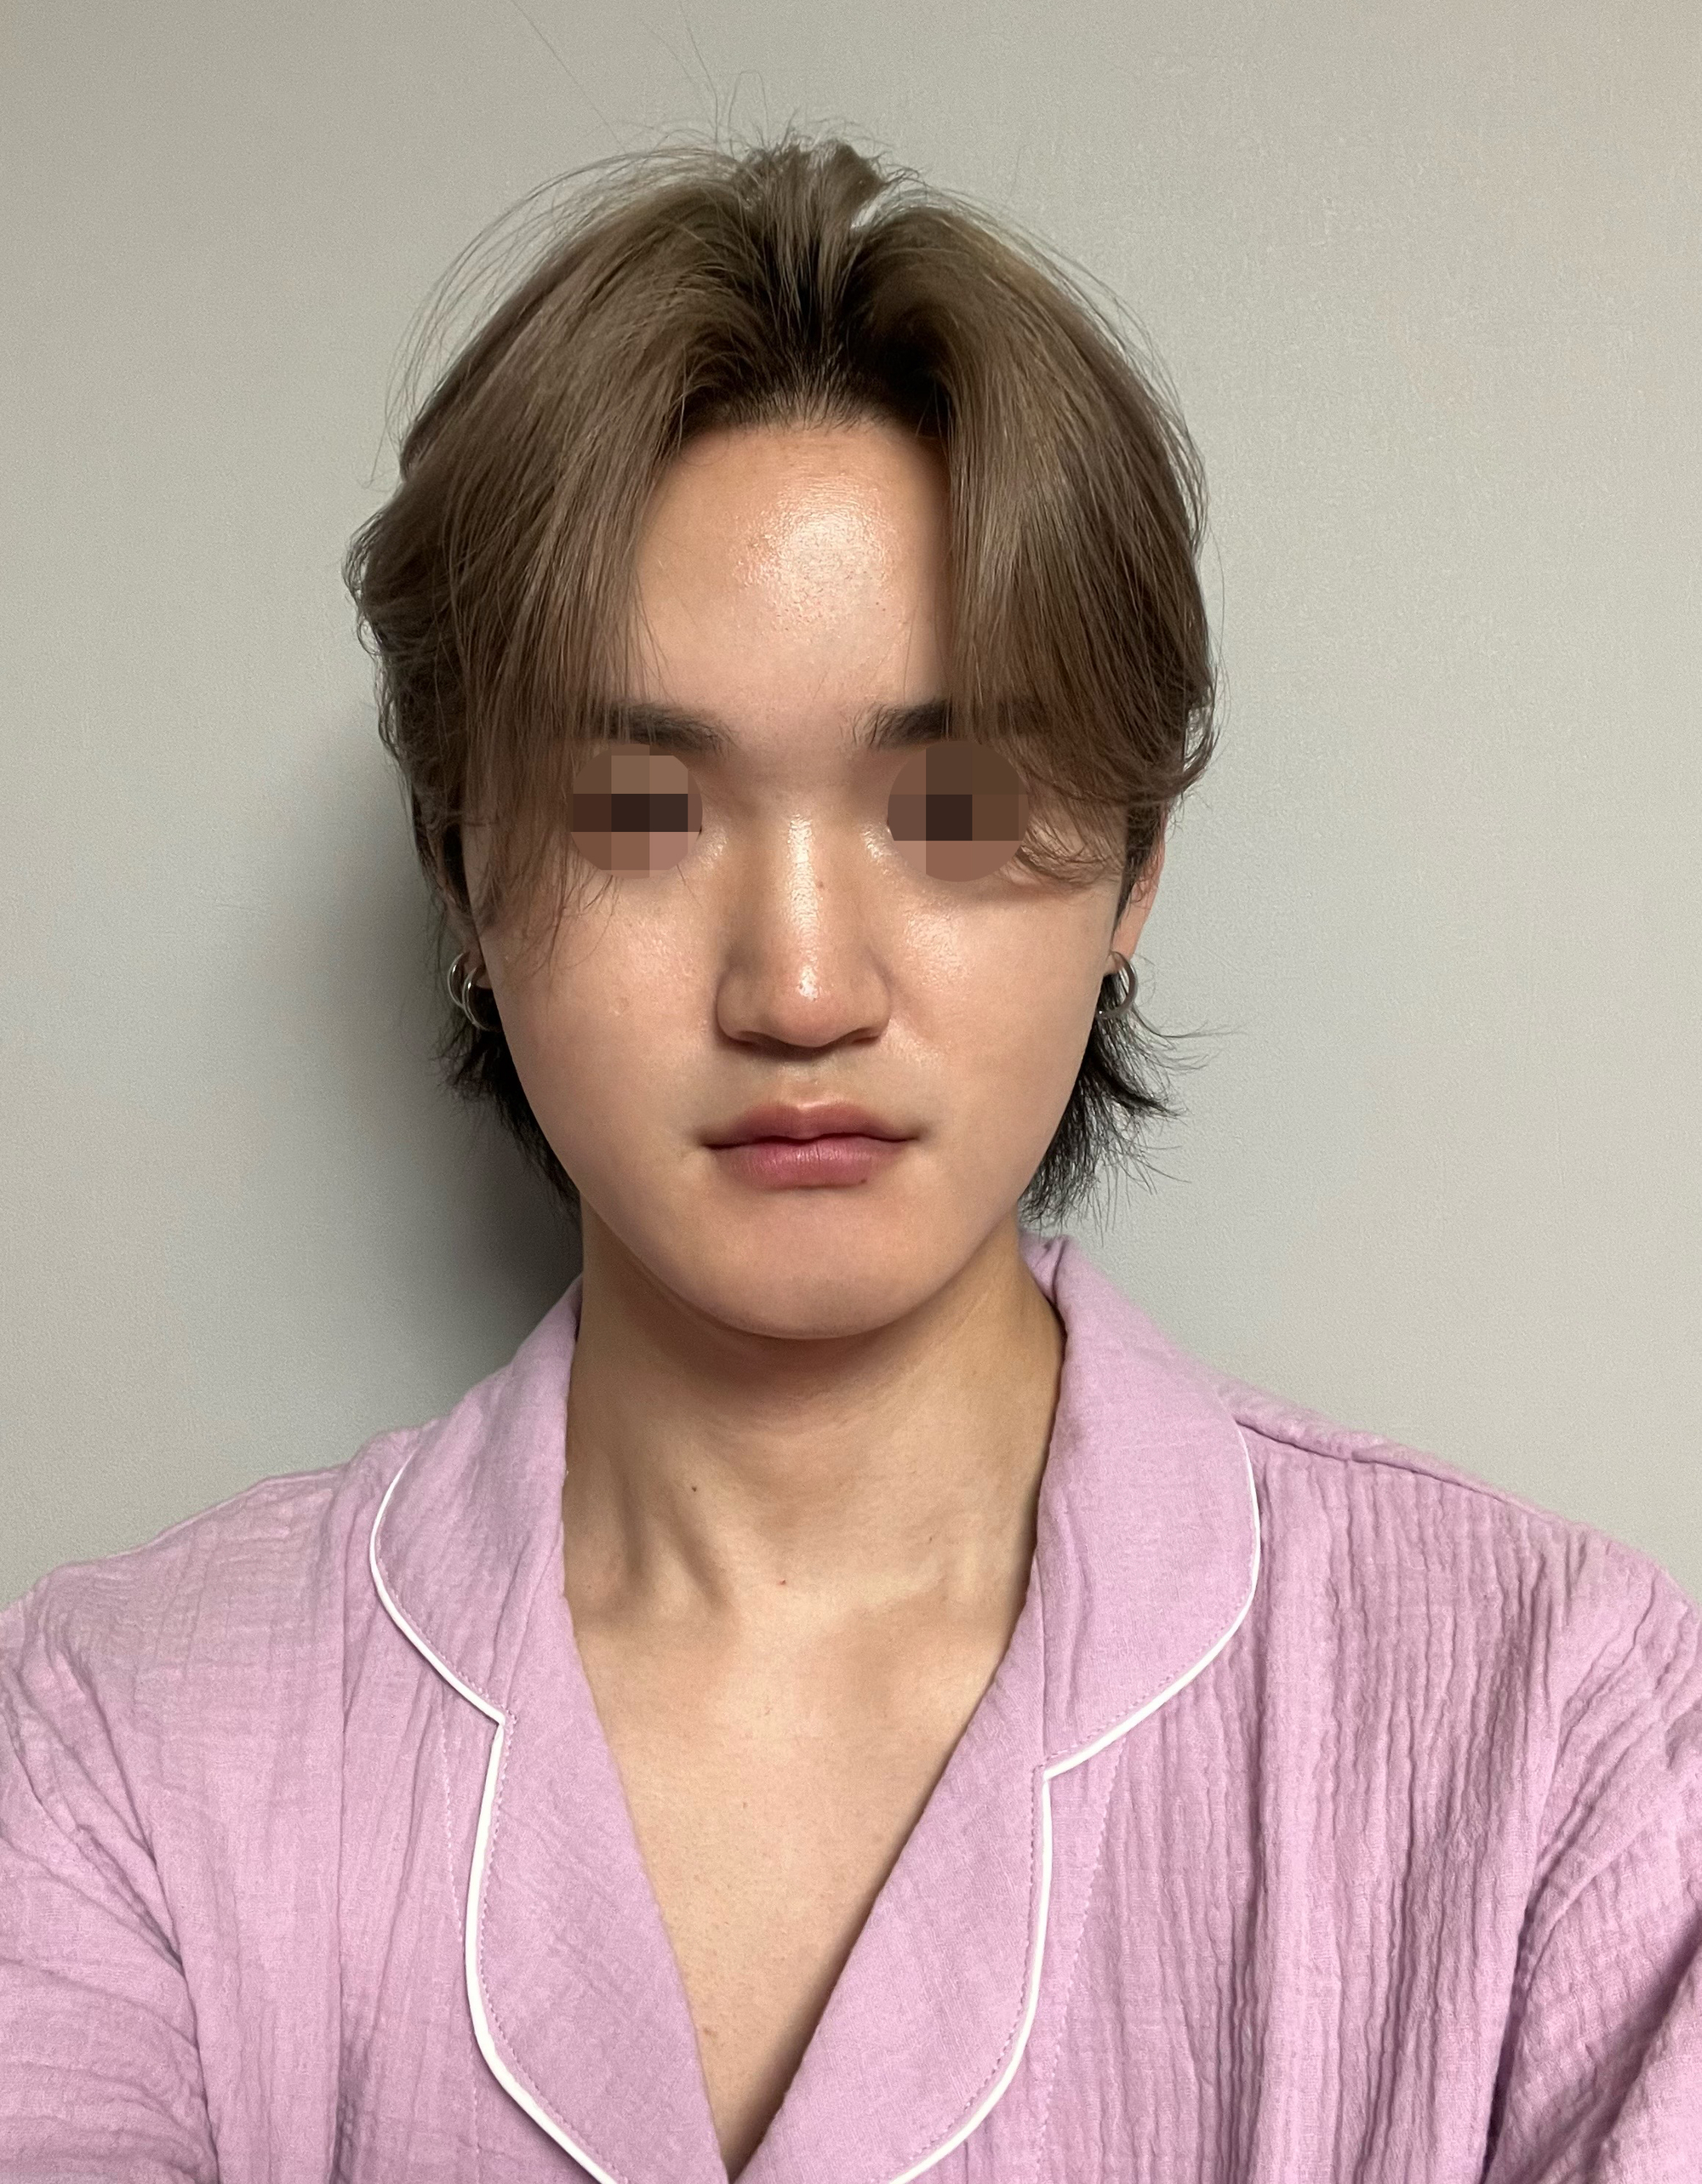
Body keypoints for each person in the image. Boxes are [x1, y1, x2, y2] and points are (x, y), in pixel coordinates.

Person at [2, 136, 1698, 2184]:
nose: (800, 985)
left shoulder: (1554, 1728)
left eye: (951, 803)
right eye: (639, 812)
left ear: (1136, 866)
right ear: (459, 872)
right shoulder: (124, 1744)